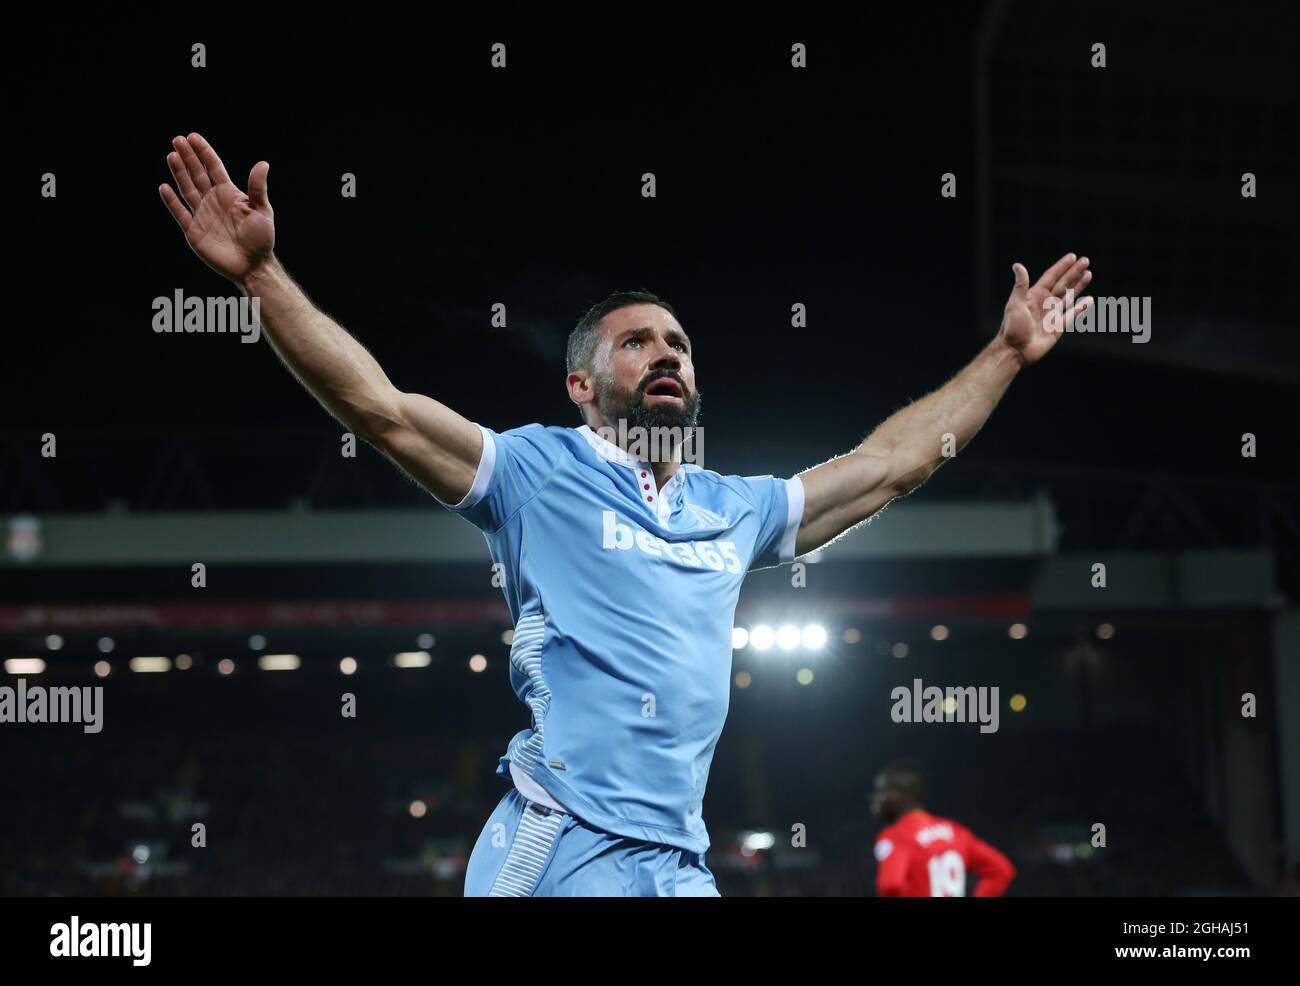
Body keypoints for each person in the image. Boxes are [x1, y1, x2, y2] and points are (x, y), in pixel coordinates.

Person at [158, 132, 1092, 896]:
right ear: (580, 383)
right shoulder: (533, 470)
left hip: (676, 860)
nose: (666, 354)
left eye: (679, 343)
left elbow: (890, 466)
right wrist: (261, 277)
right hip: (561, 845)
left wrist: (1006, 355)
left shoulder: (733, 509)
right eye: (637, 341)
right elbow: (381, 407)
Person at [871, 764, 1016, 897]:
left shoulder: (896, 835)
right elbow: (1001, 869)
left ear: (901, 794)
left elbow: (891, 885)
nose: (876, 797)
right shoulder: (955, 832)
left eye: (883, 791)